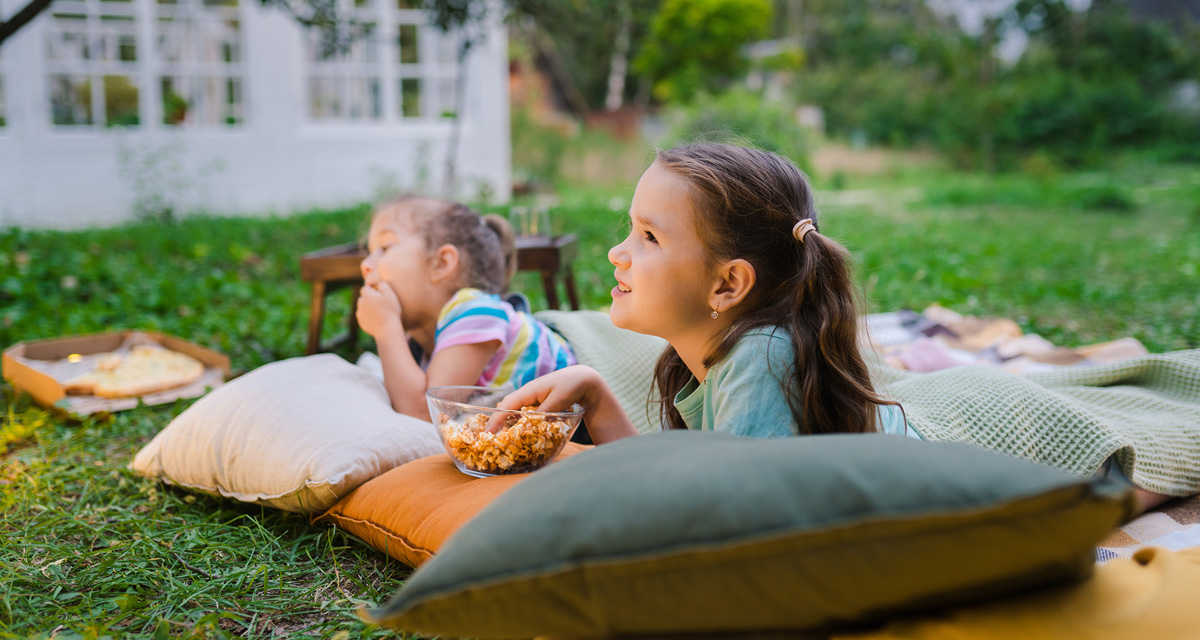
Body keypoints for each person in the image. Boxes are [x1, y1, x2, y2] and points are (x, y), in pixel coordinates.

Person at [498, 143, 919, 444]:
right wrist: (595, 395)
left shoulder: (761, 359)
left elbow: (725, 521)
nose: (617, 252)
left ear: (727, 285)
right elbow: (679, 488)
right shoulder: (705, 361)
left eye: (649, 236)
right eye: (630, 230)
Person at [356, 195, 577, 420]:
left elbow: (427, 413)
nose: (365, 265)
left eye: (384, 248)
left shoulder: (477, 311)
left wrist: (386, 327)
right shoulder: (417, 345)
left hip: (582, 430)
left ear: (441, 263)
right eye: (369, 252)